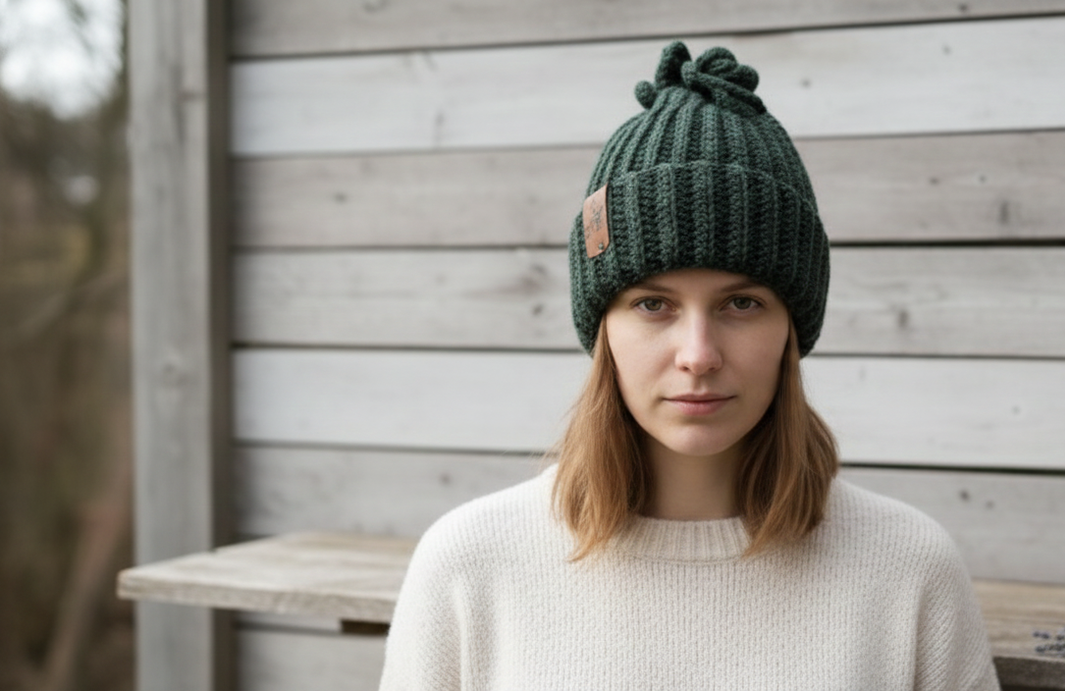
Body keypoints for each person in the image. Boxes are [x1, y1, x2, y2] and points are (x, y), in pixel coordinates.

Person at [378, 41, 1000, 691]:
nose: (698, 354)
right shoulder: (469, 564)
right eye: (652, 303)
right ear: (602, 330)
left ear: (792, 324)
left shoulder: (907, 568)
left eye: (741, 302)